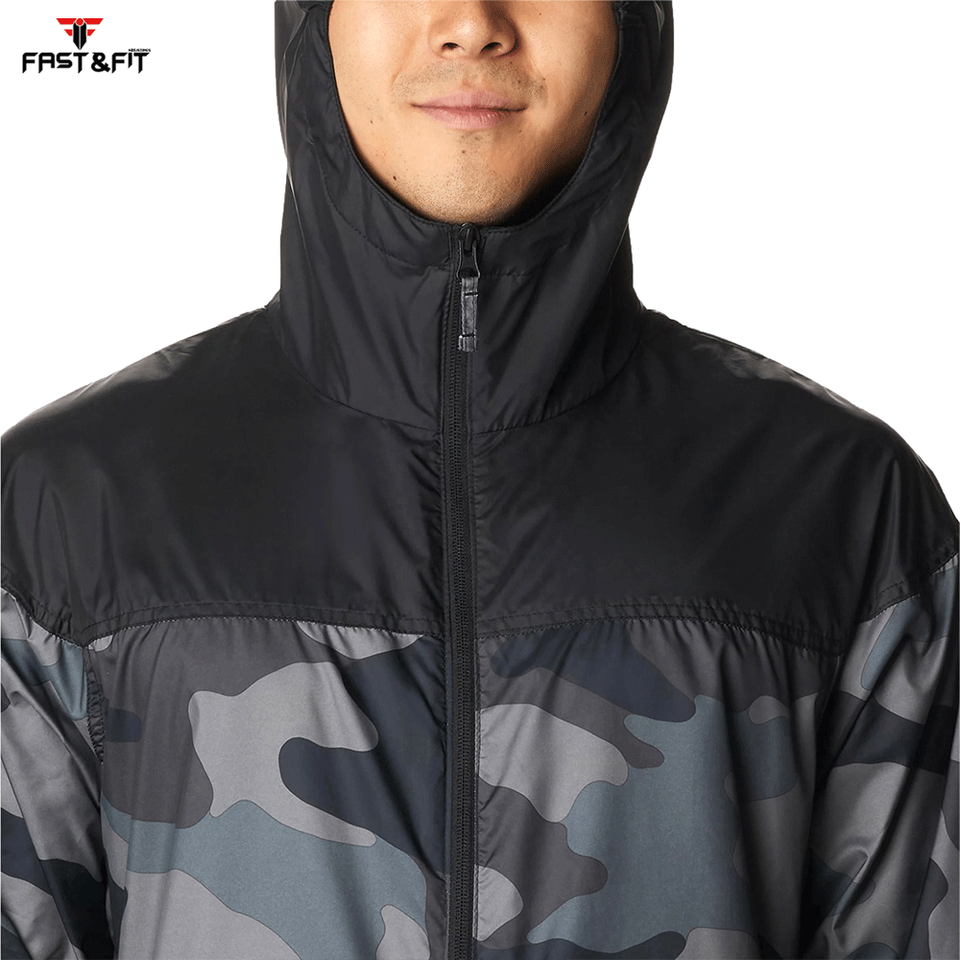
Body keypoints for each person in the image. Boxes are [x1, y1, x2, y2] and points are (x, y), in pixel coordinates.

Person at [1, 2, 956, 958]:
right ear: (311, 21)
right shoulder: (66, 510)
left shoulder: (844, 509)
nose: (470, 23)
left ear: (632, 21)